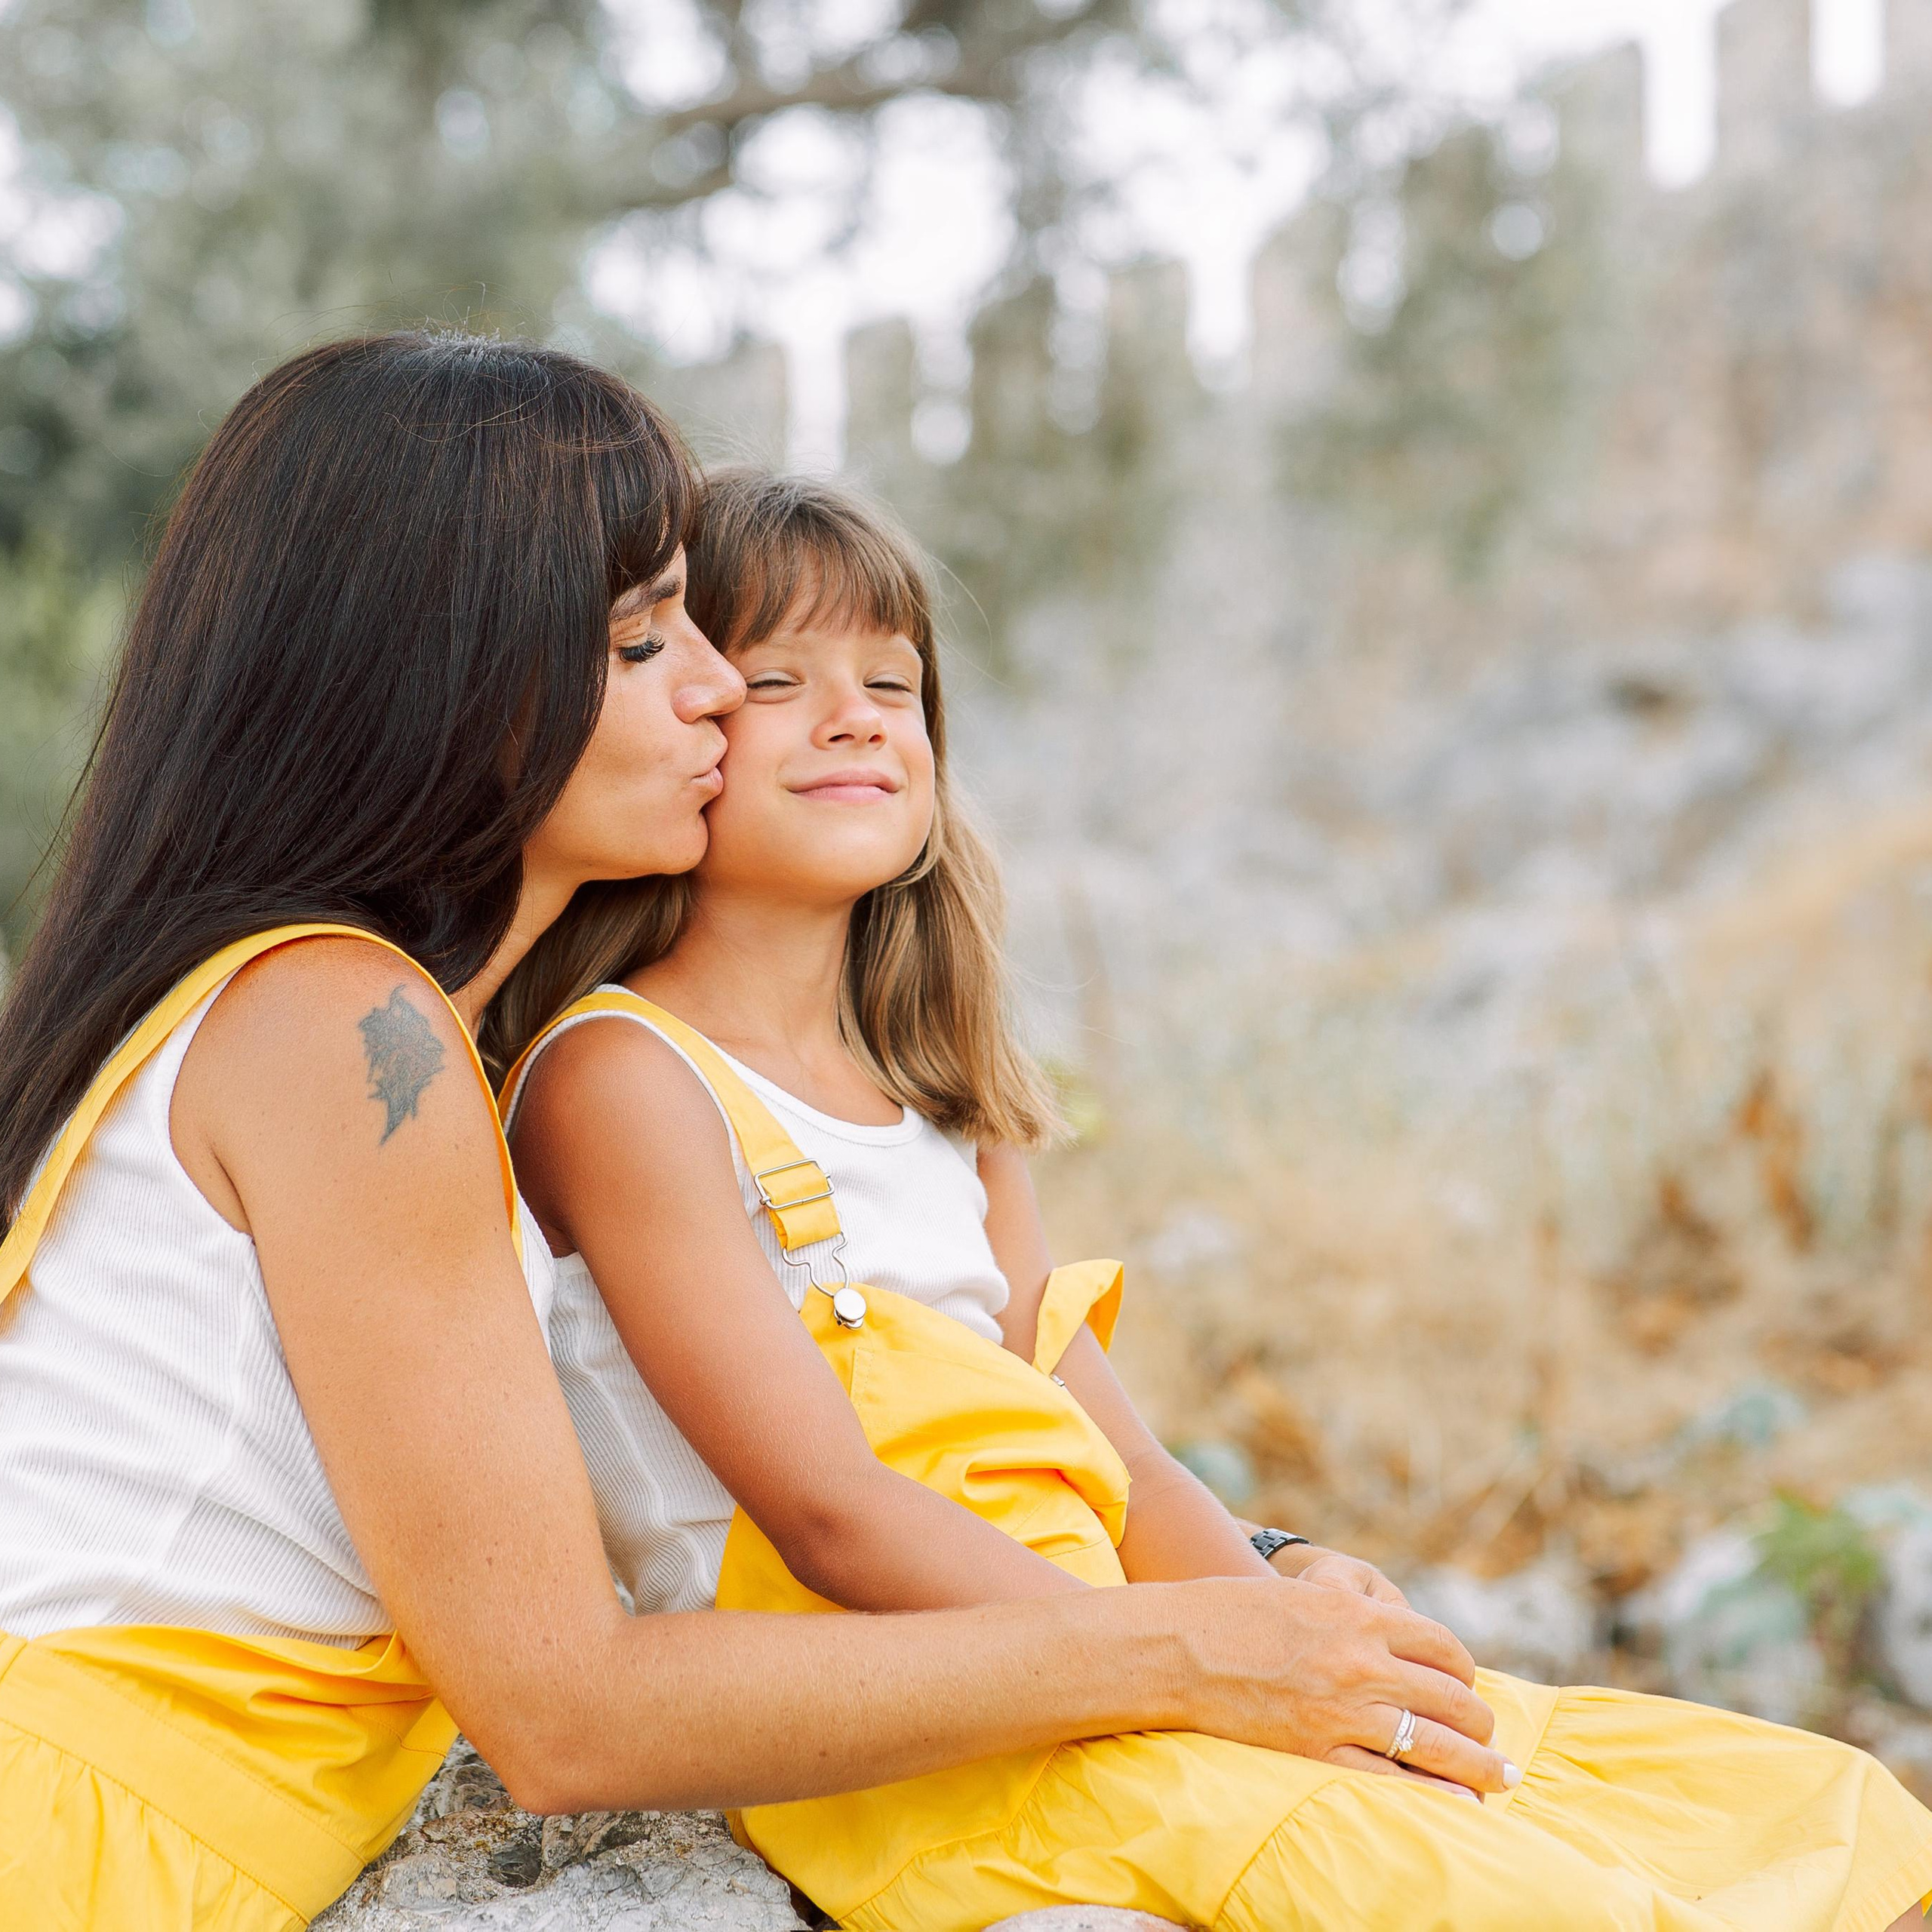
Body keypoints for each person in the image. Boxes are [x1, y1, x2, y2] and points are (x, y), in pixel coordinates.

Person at [0, 334, 1513, 1932]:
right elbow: (568, 1708)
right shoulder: (345, 1033)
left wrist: (1256, 1572)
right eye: (650, 639)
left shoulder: (354, 1031)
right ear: (444, 680)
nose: (719, 682)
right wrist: (1197, 1653)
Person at [500, 466, 1932, 1932]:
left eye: (892, 680)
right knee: (1507, 1895)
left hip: (1133, 1659)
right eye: (778, 680)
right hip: (917, 1731)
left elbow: (1125, 1465)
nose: (857, 714)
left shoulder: (946, 1103)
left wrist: (1289, 1601)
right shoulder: (623, 1076)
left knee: (1808, 1810)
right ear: (682, 728)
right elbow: (831, 1510)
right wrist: (1194, 1655)